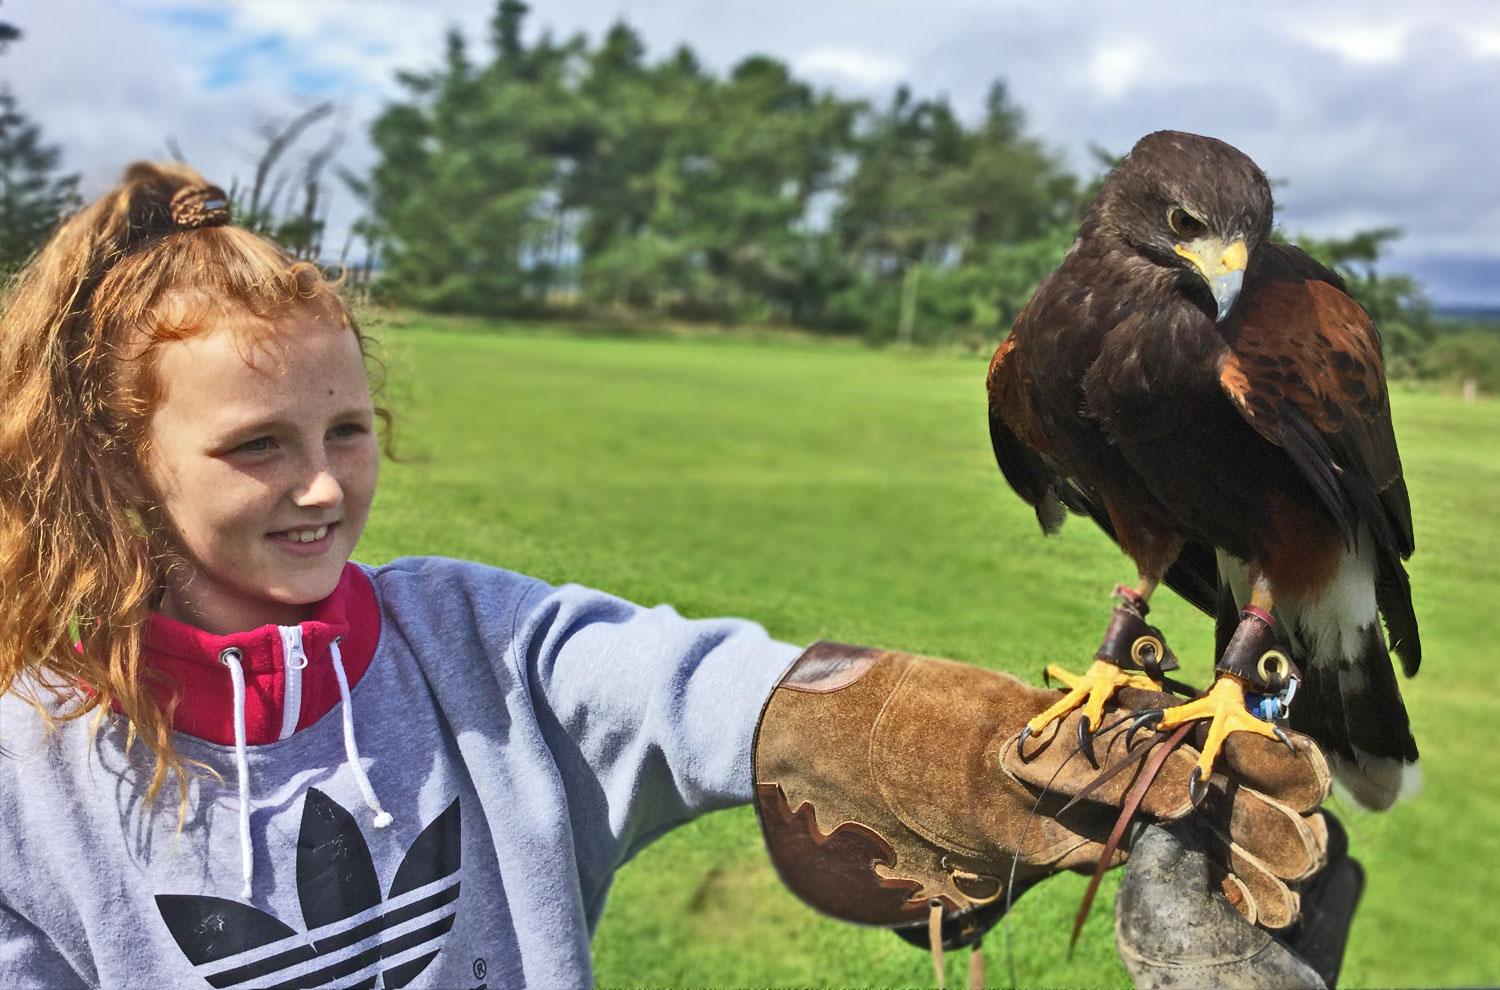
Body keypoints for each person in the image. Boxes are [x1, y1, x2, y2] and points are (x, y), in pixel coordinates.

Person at [0, 163, 1349, 989]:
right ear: (117, 463)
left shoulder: (470, 642)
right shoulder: (26, 776)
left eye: (346, 431)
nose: (320, 484)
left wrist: (974, 751)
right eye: (256, 445)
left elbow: (716, 690)